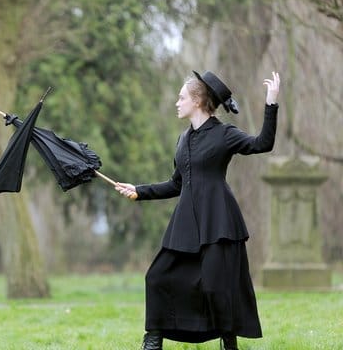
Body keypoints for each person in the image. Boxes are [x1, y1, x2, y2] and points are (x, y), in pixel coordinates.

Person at [115, 71, 281, 350]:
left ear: (198, 101)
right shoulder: (182, 140)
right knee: (157, 276)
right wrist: (139, 190)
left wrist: (271, 103)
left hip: (219, 222)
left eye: (181, 98)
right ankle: (153, 340)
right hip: (186, 225)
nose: (177, 103)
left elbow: (262, 144)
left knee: (218, 287)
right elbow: (176, 184)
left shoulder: (225, 134)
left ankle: (229, 344)